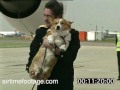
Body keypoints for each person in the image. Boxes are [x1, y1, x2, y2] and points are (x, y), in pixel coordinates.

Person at [26, 0, 80, 90]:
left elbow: (70, 58)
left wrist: (52, 47)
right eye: (44, 15)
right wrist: (31, 70)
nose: (45, 19)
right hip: (44, 83)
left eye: (49, 16)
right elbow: (33, 53)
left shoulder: (72, 34)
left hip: (62, 83)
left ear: (58, 16)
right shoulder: (41, 32)